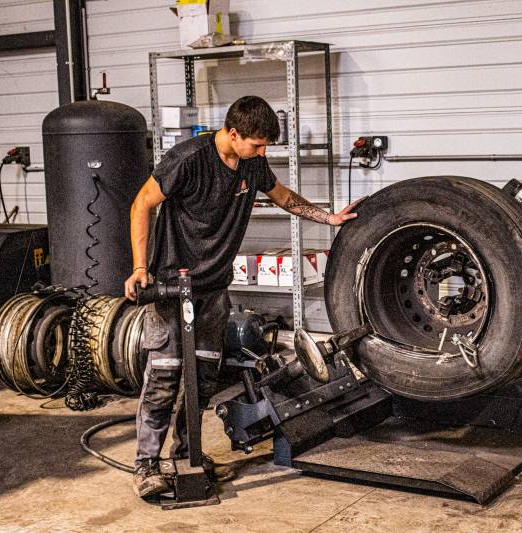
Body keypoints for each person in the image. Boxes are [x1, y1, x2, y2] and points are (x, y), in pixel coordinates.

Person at [123, 95, 360, 498]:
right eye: (256, 144)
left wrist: (329, 218)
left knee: (203, 377)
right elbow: (141, 203)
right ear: (233, 133)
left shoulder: (251, 162)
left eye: (266, 146)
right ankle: (146, 464)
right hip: (170, 284)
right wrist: (140, 267)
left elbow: (283, 196)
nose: (262, 152)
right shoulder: (188, 159)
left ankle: (188, 453)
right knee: (164, 375)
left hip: (215, 288)